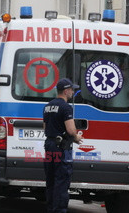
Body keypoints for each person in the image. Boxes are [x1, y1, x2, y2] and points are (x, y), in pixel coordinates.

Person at [43, 78, 83, 213]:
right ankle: (59, 210)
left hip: (49, 145)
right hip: (61, 148)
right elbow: (71, 130)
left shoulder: (48, 106)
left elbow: (45, 128)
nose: (73, 92)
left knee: (51, 181)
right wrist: (76, 137)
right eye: (72, 89)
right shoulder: (66, 107)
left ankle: (51, 209)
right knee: (61, 182)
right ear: (66, 91)